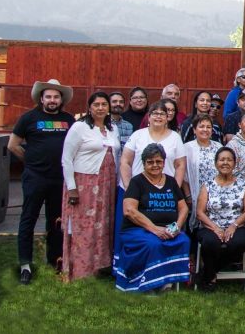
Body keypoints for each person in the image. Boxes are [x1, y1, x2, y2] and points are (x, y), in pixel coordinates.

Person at [8, 79, 75, 283]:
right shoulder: (28, 118)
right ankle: (26, 266)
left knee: (56, 223)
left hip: (59, 179)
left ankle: (54, 262)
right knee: (28, 220)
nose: (52, 100)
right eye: (48, 96)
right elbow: (13, 145)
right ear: (41, 98)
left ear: (61, 99)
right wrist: (31, 161)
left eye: (56, 96)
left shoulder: (69, 120)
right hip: (35, 178)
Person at [114, 144, 190, 293]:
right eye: (150, 162)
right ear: (144, 164)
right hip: (137, 229)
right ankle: (147, 285)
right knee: (153, 243)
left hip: (167, 228)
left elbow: (183, 208)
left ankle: (166, 283)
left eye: (158, 161)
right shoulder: (137, 182)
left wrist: (176, 228)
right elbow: (129, 211)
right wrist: (154, 229)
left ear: (163, 162)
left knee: (183, 240)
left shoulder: (171, 181)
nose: (155, 165)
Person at [60, 92, 119, 281]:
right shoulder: (79, 128)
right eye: (97, 104)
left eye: (104, 104)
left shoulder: (112, 129)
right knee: (82, 227)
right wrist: (72, 187)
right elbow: (67, 159)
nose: (101, 108)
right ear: (90, 107)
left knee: (102, 226)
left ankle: (98, 267)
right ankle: (79, 270)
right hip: (84, 183)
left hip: (107, 184)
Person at [195, 146, 245, 291]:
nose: (225, 163)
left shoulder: (243, 185)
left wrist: (234, 225)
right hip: (210, 226)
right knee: (210, 242)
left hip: (236, 226)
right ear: (216, 163)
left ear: (235, 163)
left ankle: (207, 272)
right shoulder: (207, 185)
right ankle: (210, 277)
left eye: (229, 160)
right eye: (222, 160)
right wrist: (216, 228)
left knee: (238, 243)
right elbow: (200, 212)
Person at [182, 114, 223, 226]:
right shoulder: (187, 148)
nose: (205, 130)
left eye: (208, 127)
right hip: (195, 194)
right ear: (194, 130)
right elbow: (184, 175)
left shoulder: (218, 146)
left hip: (216, 195)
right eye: (201, 126)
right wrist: (188, 196)